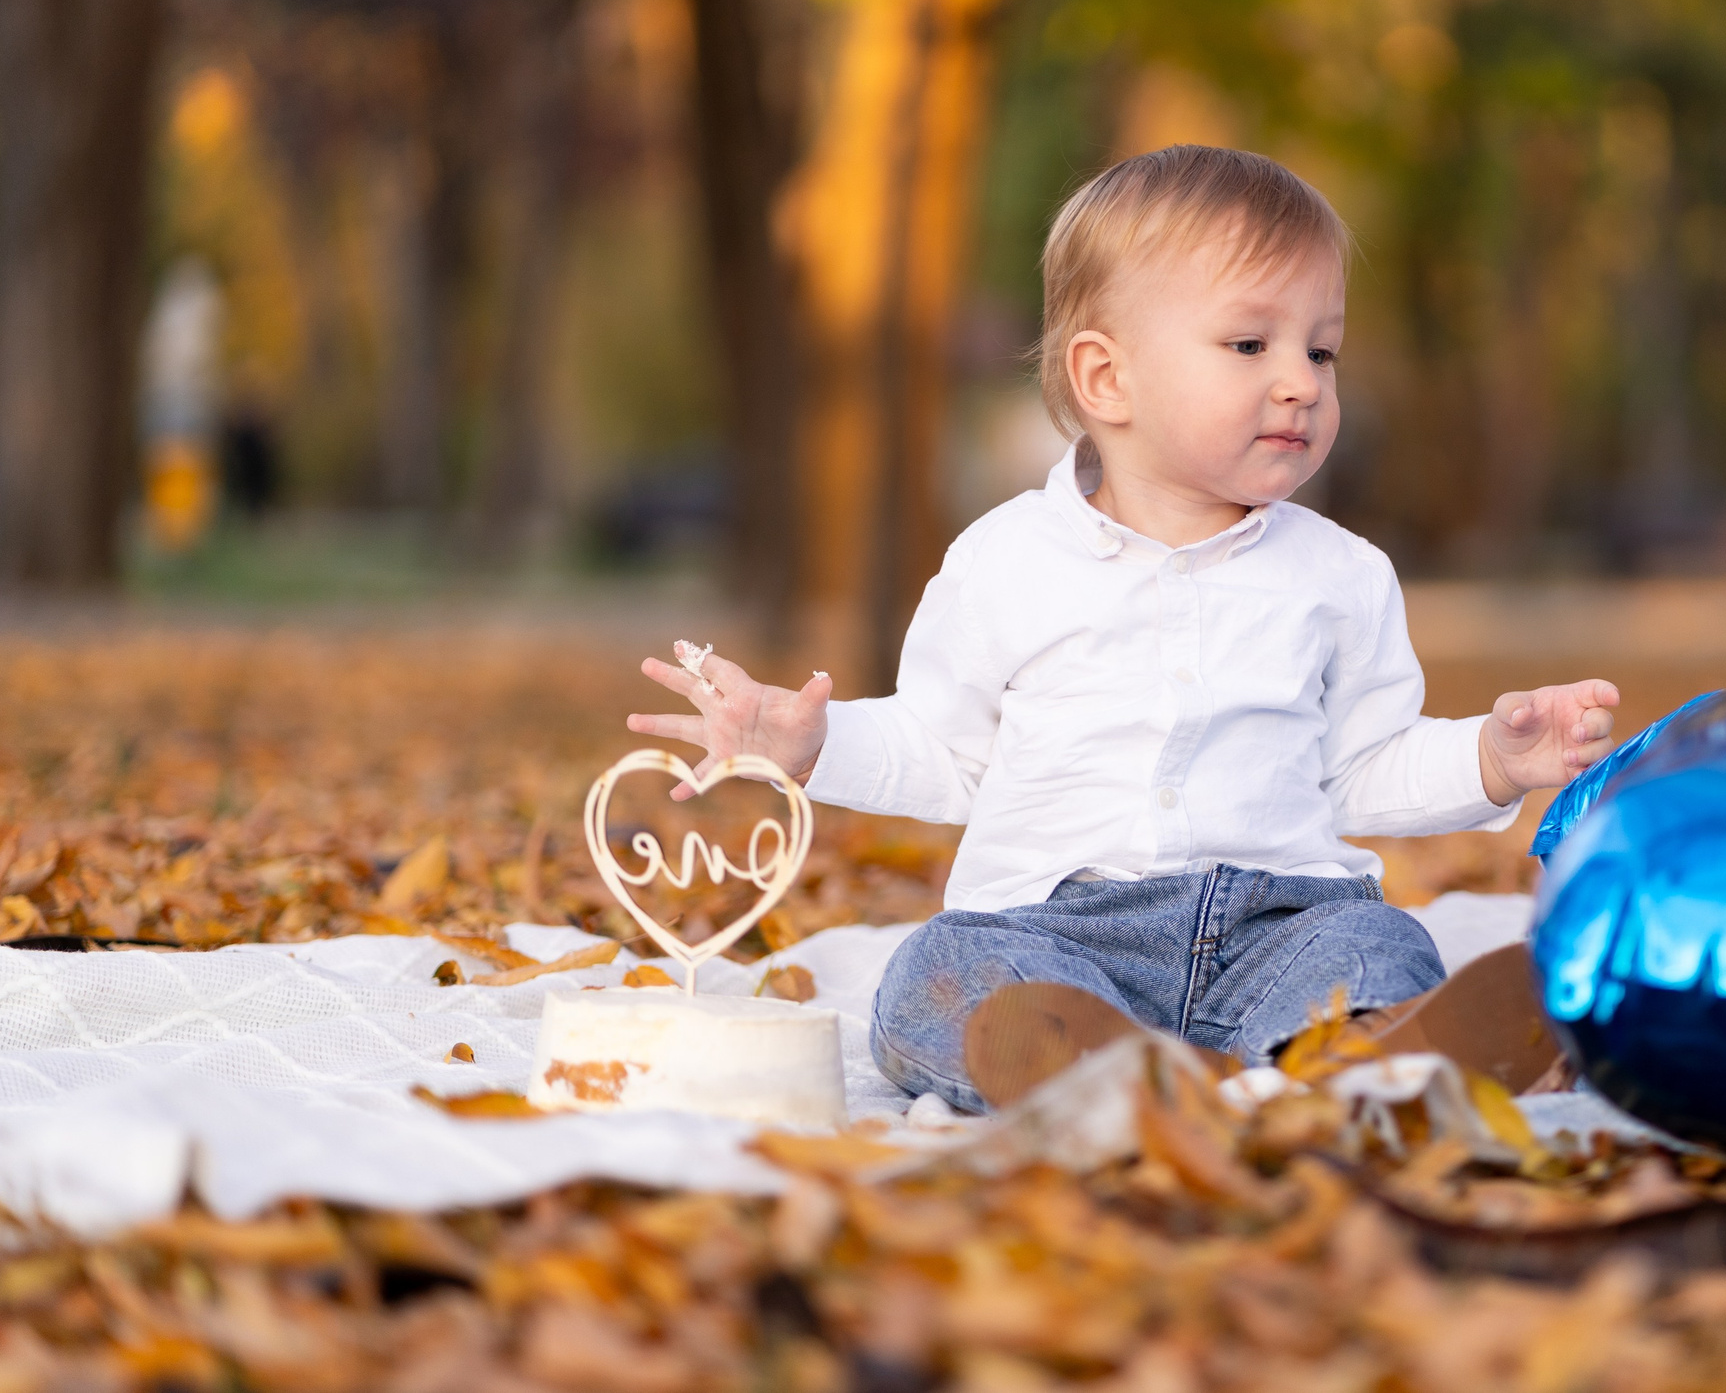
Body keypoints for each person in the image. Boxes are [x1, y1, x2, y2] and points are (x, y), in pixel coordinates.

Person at [630, 146, 1619, 1112]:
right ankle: (1085, 1061)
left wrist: (1492, 758)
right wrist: (810, 744)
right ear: (1107, 380)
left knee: (1377, 947)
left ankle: (1365, 1049)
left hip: (1276, 926)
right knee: (937, 974)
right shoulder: (1005, 561)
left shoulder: (1341, 577)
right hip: (1055, 933)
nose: (1301, 382)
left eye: (1320, 349)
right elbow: (943, 750)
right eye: (1250, 345)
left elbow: (1359, 769)